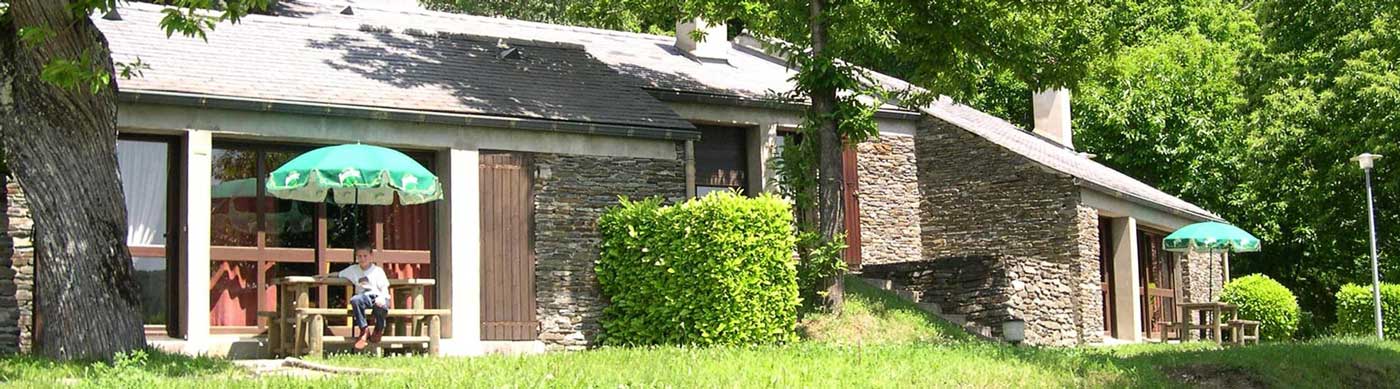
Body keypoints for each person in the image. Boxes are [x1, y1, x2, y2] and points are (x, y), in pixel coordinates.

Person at [316, 241, 389, 350]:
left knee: (381, 308)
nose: (362, 259)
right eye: (359, 256)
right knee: (355, 300)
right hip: (364, 297)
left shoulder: (378, 271)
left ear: (371, 256)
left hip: (379, 296)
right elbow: (339, 274)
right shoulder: (353, 270)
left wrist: (381, 298)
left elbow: (384, 289)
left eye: (365, 256)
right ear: (356, 257)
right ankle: (364, 330)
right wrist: (325, 276)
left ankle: (379, 328)